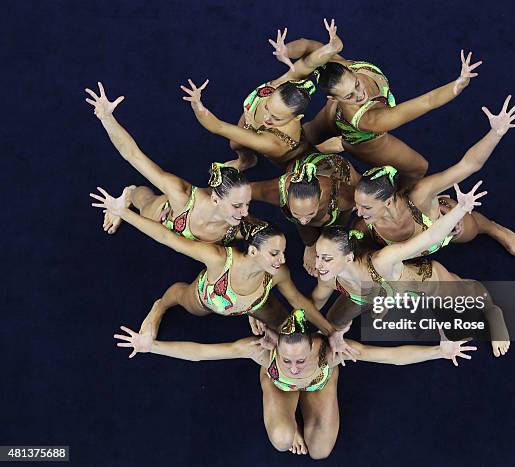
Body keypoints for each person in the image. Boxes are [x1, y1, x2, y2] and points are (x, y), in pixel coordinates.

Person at [113, 308, 476, 459]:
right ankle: (291, 416)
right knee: (282, 440)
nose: (294, 364)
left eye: (300, 360)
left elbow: (391, 357)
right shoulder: (261, 351)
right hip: (279, 389)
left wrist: (438, 351)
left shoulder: (330, 352)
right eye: (287, 360)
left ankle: (314, 401)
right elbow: (200, 353)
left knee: (320, 452)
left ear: (315, 348)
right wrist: (153, 346)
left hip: (321, 385)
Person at [90, 187, 355, 359]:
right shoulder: (218, 259)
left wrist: (331, 331)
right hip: (214, 295)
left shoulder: (278, 272)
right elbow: (167, 239)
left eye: (283, 252)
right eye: (275, 254)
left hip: (251, 301)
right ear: (253, 252)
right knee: (181, 295)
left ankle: (256, 313)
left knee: (287, 326)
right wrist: (123, 211)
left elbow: (299, 302)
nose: (283, 260)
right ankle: (159, 306)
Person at [311, 182, 511, 357]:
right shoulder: (328, 278)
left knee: (465, 312)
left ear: (348, 258)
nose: (318, 265)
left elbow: (430, 237)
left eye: (326, 259)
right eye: (318, 256)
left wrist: (459, 210)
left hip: (423, 282)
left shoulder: (382, 261)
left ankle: (493, 312)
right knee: (333, 321)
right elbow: (314, 303)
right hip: (374, 291)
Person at [353, 95, 515, 259]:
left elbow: (467, 165)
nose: (359, 213)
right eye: (358, 205)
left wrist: (496, 133)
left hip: (443, 224)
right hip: (412, 257)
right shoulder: (364, 227)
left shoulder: (420, 195)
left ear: (388, 202)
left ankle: (493, 228)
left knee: (472, 229)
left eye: (366, 207)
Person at [85, 82, 250, 244]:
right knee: (143, 203)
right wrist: (107, 118)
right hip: (167, 216)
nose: (245, 212)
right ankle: (129, 194)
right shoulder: (180, 195)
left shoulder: (240, 224)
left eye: (247, 204)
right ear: (215, 200)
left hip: (214, 203)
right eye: (237, 206)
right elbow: (133, 155)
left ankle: (239, 164)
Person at [301, 48, 481, 188]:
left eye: (356, 84)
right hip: (362, 139)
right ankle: (399, 196)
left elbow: (310, 46)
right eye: (349, 96)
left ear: (350, 70)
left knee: (307, 135)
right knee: (418, 168)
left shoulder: (338, 68)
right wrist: (457, 86)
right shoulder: (371, 120)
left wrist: (286, 51)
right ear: (334, 98)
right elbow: (428, 102)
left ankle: (329, 143)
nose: (360, 94)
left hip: (332, 111)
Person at [180, 19, 344, 170]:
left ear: (297, 118)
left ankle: (322, 148)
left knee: (300, 159)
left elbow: (218, 126)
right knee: (235, 145)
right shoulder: (284, 82)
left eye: (277, 118)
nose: (267, 117)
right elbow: (311, 61)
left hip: (287, 154)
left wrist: (197, 106)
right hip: (250, 121)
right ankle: (247, 160)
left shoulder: (272, 142)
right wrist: (288, 51)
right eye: (267, 107)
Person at [250, 154, 357, 275]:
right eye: (295, 213)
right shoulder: (275, 191)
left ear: (321, 196)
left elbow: (345, 218)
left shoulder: (341, 197)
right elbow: (246, 190)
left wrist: (328, 238)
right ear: (286, 193)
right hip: (299, 164)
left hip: (339, 171)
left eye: (310, 213)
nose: (303, 221)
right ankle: (310, 242)